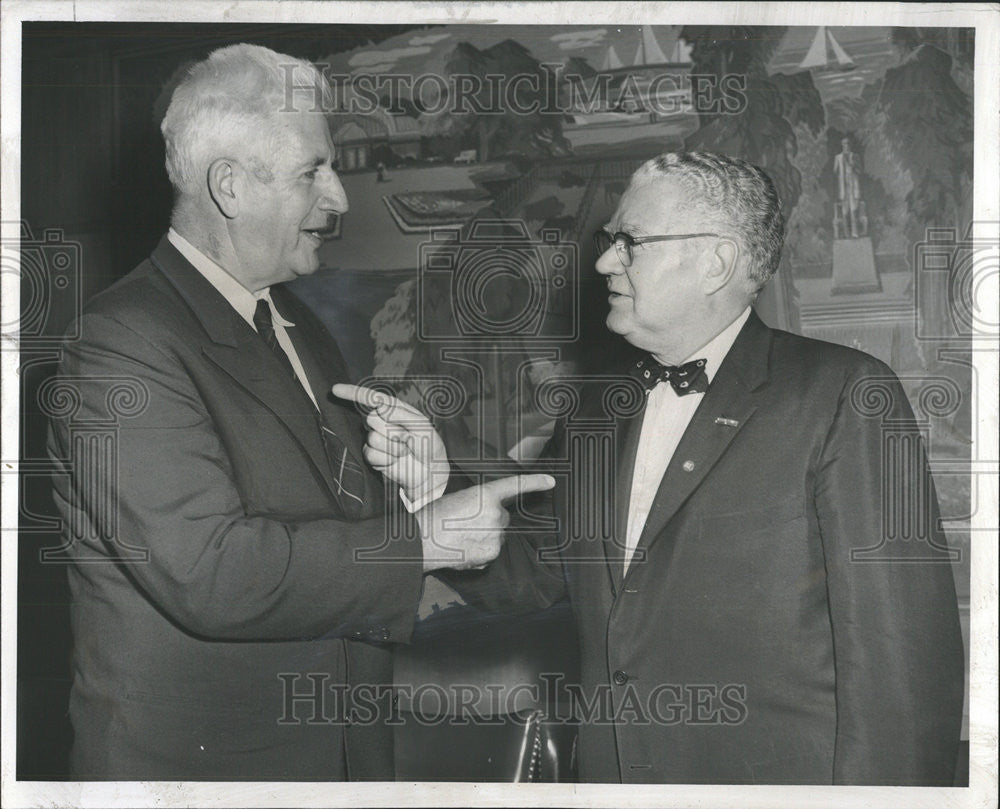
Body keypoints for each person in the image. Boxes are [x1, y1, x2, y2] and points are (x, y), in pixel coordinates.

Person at [342, 152, 965, 785]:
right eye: (610, 241)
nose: (604, 260)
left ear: (715, 262)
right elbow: (527, 578)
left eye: (629, 242)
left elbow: (903, 660)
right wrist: (435, 487)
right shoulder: (594, 407)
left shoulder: (844, 394)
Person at [46, 43, 550, 781]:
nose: (340, 198)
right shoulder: (121, 343)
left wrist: (418, 485)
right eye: (314, 170)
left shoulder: (296, 325)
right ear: (230, 187)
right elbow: (212, 572)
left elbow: (323, 534)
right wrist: (419, 542)